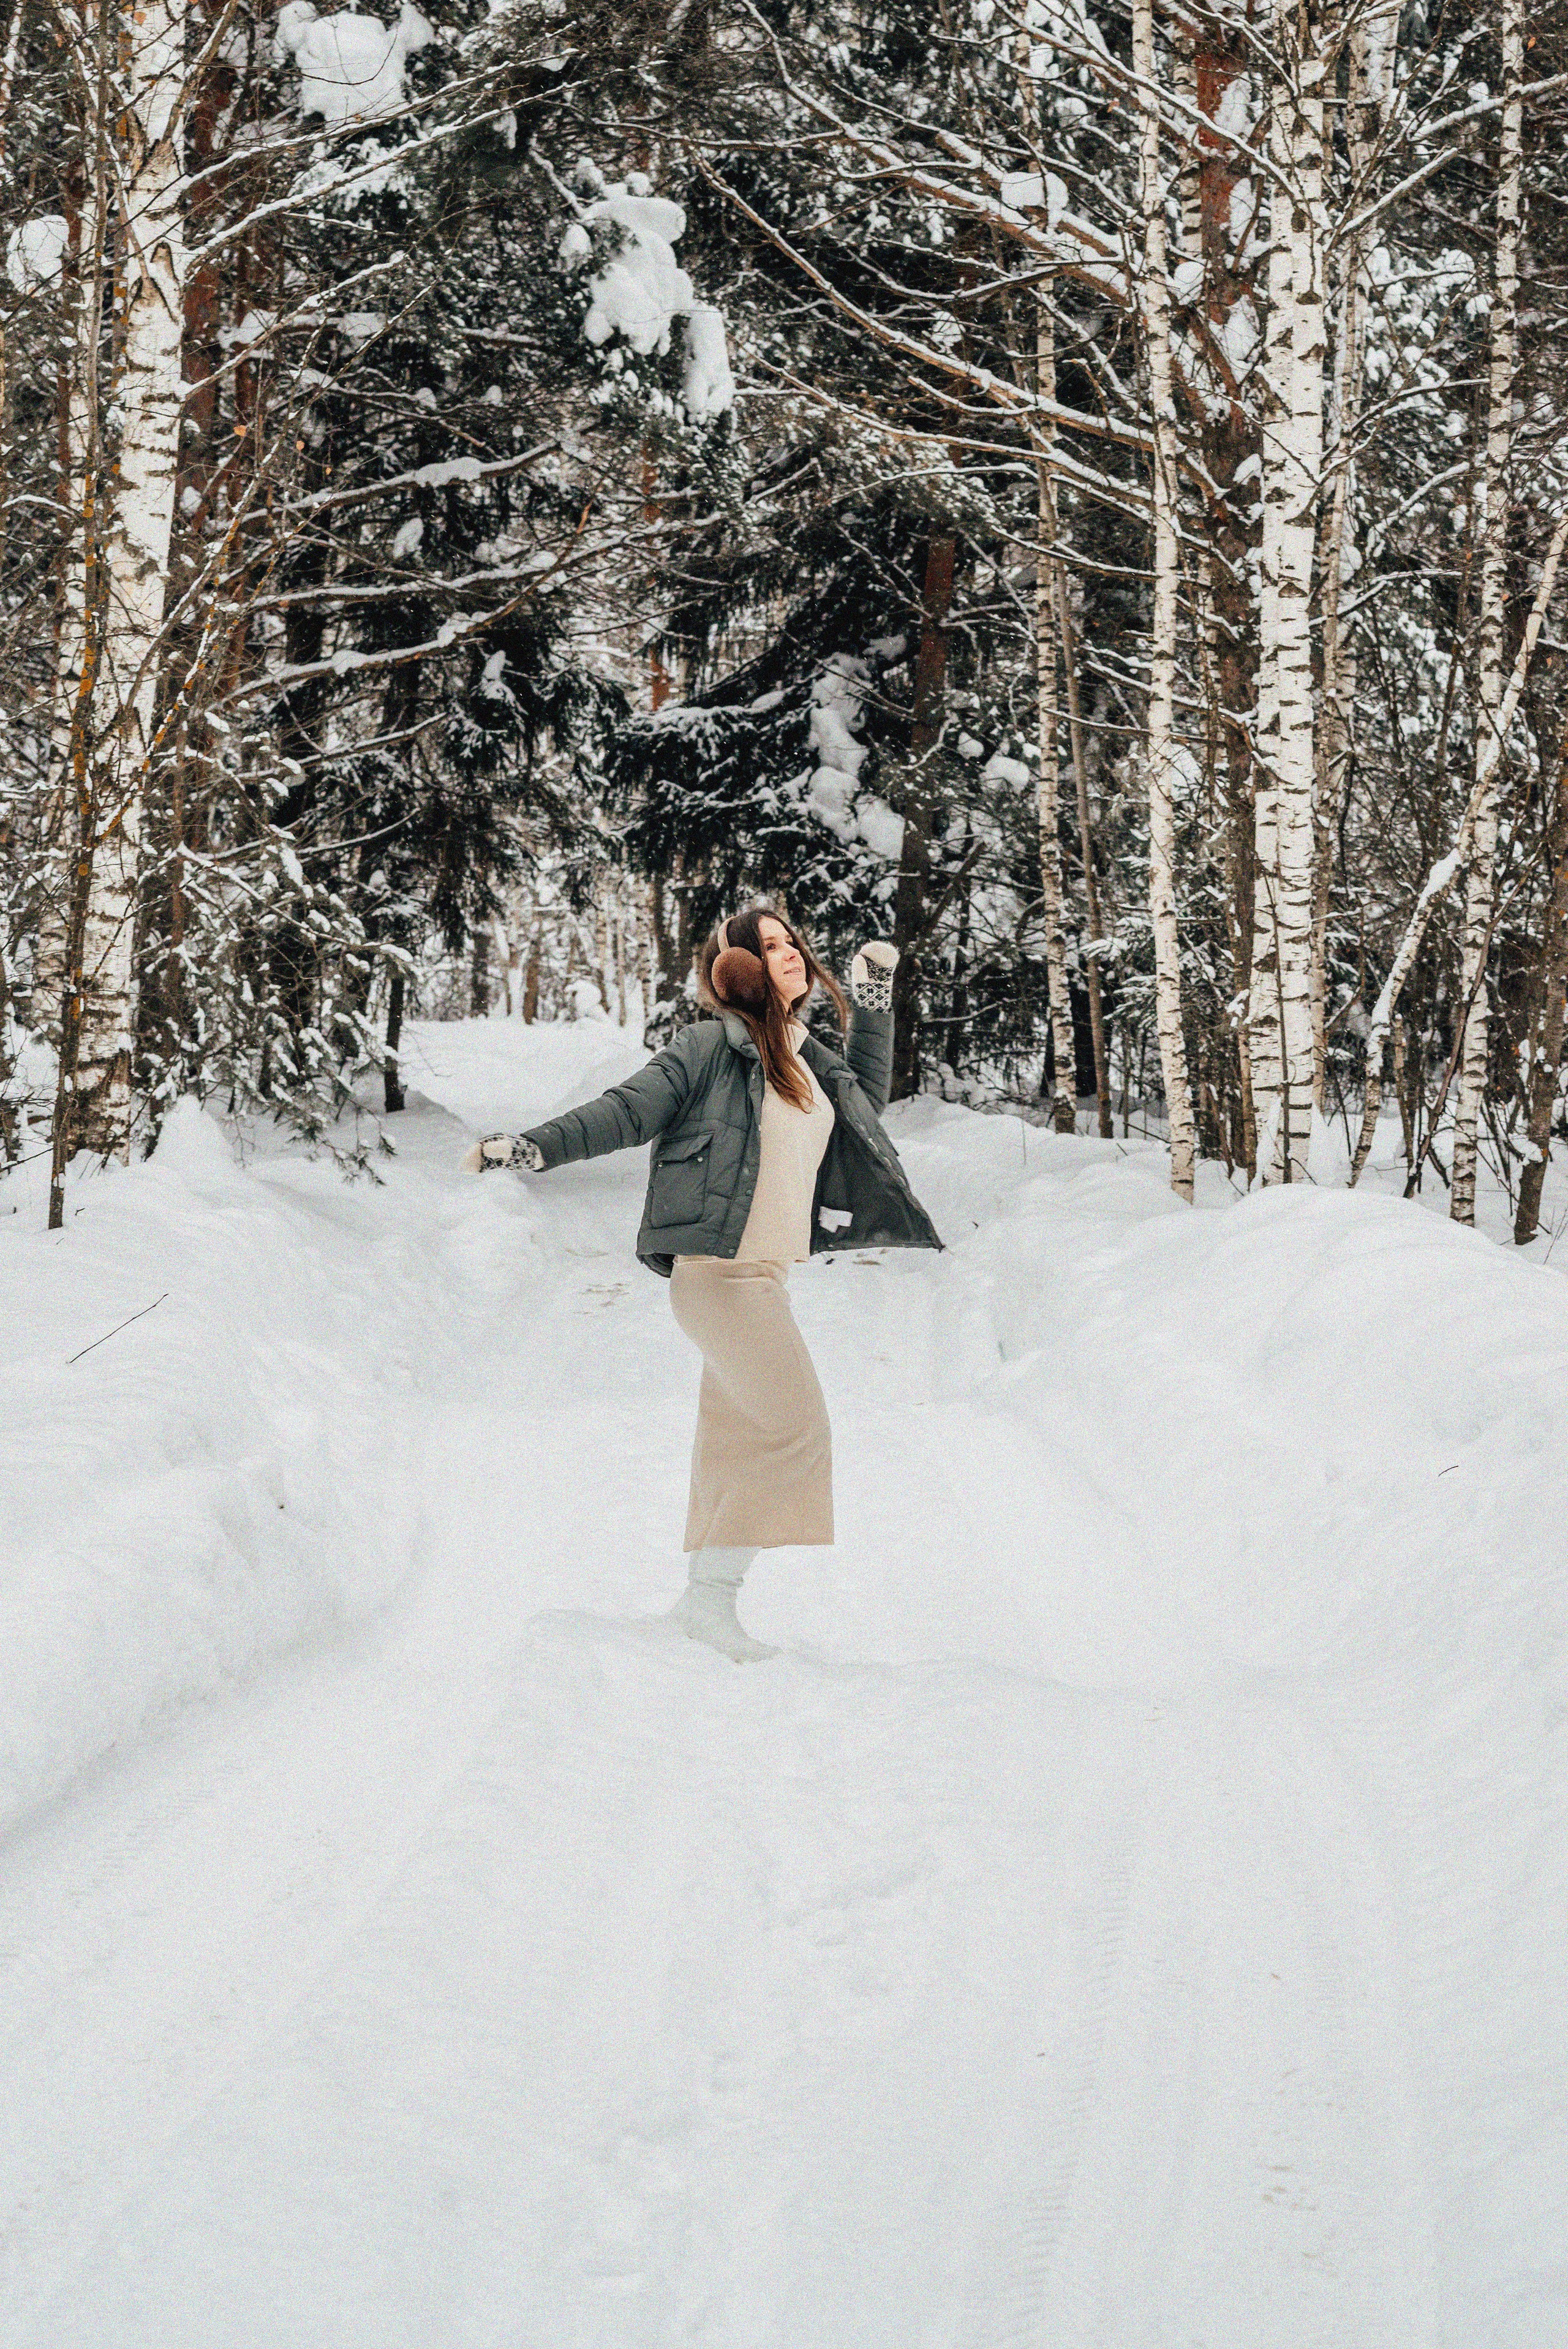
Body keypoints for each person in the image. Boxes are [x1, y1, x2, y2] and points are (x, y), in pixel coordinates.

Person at [463, 905, 941, 1659]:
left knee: (734, 1439)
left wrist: (872, 1003)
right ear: (739, 971)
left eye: (793, 943)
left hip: (764, 1276)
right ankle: (710, 1603)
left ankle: (703, 1610)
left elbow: (866, 1105)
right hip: (718, 1277)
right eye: (770, 946)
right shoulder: (708, 1046)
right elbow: (628, 1110)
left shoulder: (805, 1052)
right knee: (794, 1423)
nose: (788, 953)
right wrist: (533, 1149)